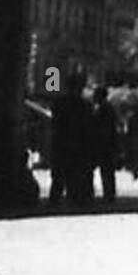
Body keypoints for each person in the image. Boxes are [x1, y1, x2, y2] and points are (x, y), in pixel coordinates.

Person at [48, 72, 91, 205]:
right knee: (75, 176)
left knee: (58, 177)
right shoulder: (84, 105)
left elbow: (54, 123)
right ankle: (75, 200)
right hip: (78, 145)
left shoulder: (59, 103)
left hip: (61, 144)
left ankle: (54, 201)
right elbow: (88, 127)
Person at [91, 85, 121, 202]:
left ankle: (109, 194)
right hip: (107, 143)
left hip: (104, 143)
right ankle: (109, 193)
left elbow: (104, 127)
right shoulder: (108, 108)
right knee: (107, 171)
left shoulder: (104, 109)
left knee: (106, 170)